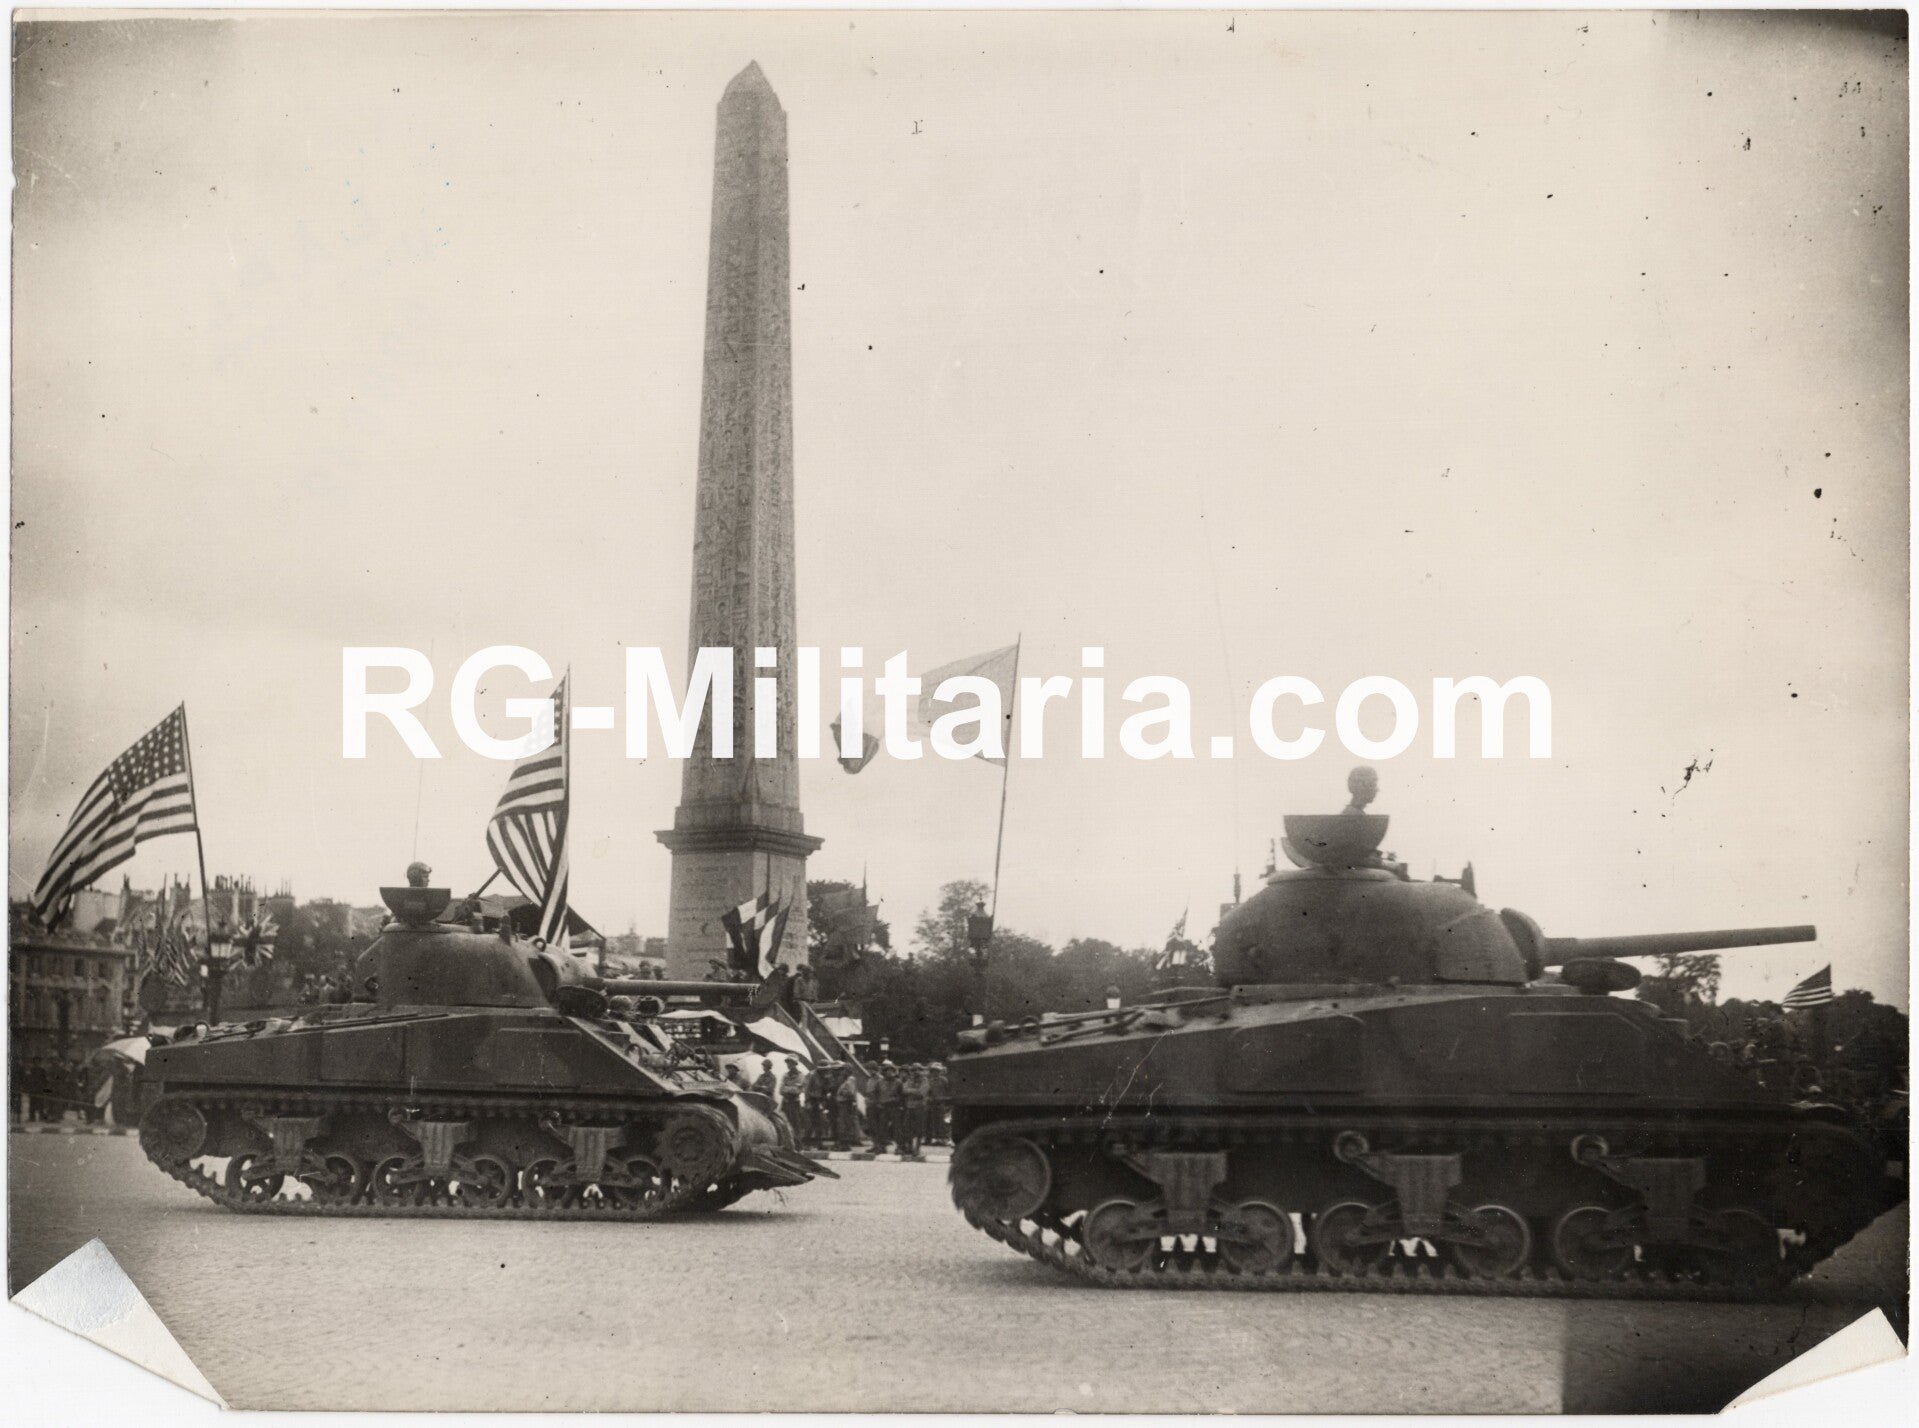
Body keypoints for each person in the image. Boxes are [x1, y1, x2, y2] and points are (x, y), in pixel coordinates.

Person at [868, 1061, 902, 1153]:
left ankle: (900, 1146)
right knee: (882, 1127)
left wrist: (895, 1100)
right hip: (883, 1108)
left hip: (894, 1107)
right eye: (887, 1070)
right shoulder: (880, 1082)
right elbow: (875, 1093)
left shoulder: (898, 1082)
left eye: (891, 1070)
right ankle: (881, 1146)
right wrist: (878, 1102)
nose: (889, 1072)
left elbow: (901, 1095)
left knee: (897, 1128)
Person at [899, 1064, 929, 1158]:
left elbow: (921, 1093)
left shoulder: (924, 1080)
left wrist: (910, 1091)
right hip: (909, 1107)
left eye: (918, 1069)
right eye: (914, 1070)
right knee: (907, 1127)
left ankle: (917, 1148)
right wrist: (914, 1091)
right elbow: (903, 1090)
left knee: (919, 1128)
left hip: (920, 1107)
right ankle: (910, 1147)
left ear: (921, 1070)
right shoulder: (909, 1080)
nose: (916, 1071)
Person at [833, 1066, 864, 1148]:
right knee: (846, 1122)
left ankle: (846, 1142)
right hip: (846, 1103)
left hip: (846, 1103)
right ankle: (848, 1140)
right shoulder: (846, 1080)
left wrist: (842, 1092)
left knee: (845, 1122)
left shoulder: (850, 1079)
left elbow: (850, 1092)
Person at [779, 1056, 806, 1133]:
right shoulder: (785, 1075)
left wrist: (787, 1088)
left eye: (790, 1063)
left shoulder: (800, 1075)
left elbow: (797, 1091)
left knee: (795, 1124)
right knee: (784, 1123)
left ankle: (797, 1143)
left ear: (795, 1064)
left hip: (794, 1103)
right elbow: (780, 1090)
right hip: (785, 1103)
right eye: (787, 1063)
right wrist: (791, 1088)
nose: (788, 1065)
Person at [927, 1062, 950, 1144]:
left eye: (937, 1071)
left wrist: (947, 1101)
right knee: (933, 1120)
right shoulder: (930, 1081)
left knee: (942, 1121)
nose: (935, 1073)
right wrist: (929, 1098)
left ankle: (943, 1138)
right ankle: (935, 1138)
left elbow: (948, 1091)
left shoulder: (944, 1080)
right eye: (933, 1071)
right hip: (933, 1103)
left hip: (942, 1103)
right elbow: (928, 1092)